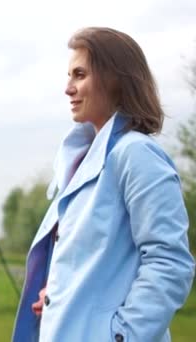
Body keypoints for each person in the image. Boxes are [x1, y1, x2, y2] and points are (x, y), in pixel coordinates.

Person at [12, 27, 195, 342]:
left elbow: (170, 262)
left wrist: (121, 336)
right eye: (69, 75)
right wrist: (60, 299)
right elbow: (92, 265)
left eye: (79, 75)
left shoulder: (136, 154)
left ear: (115, 80)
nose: (68, 88)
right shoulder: (81, 161)